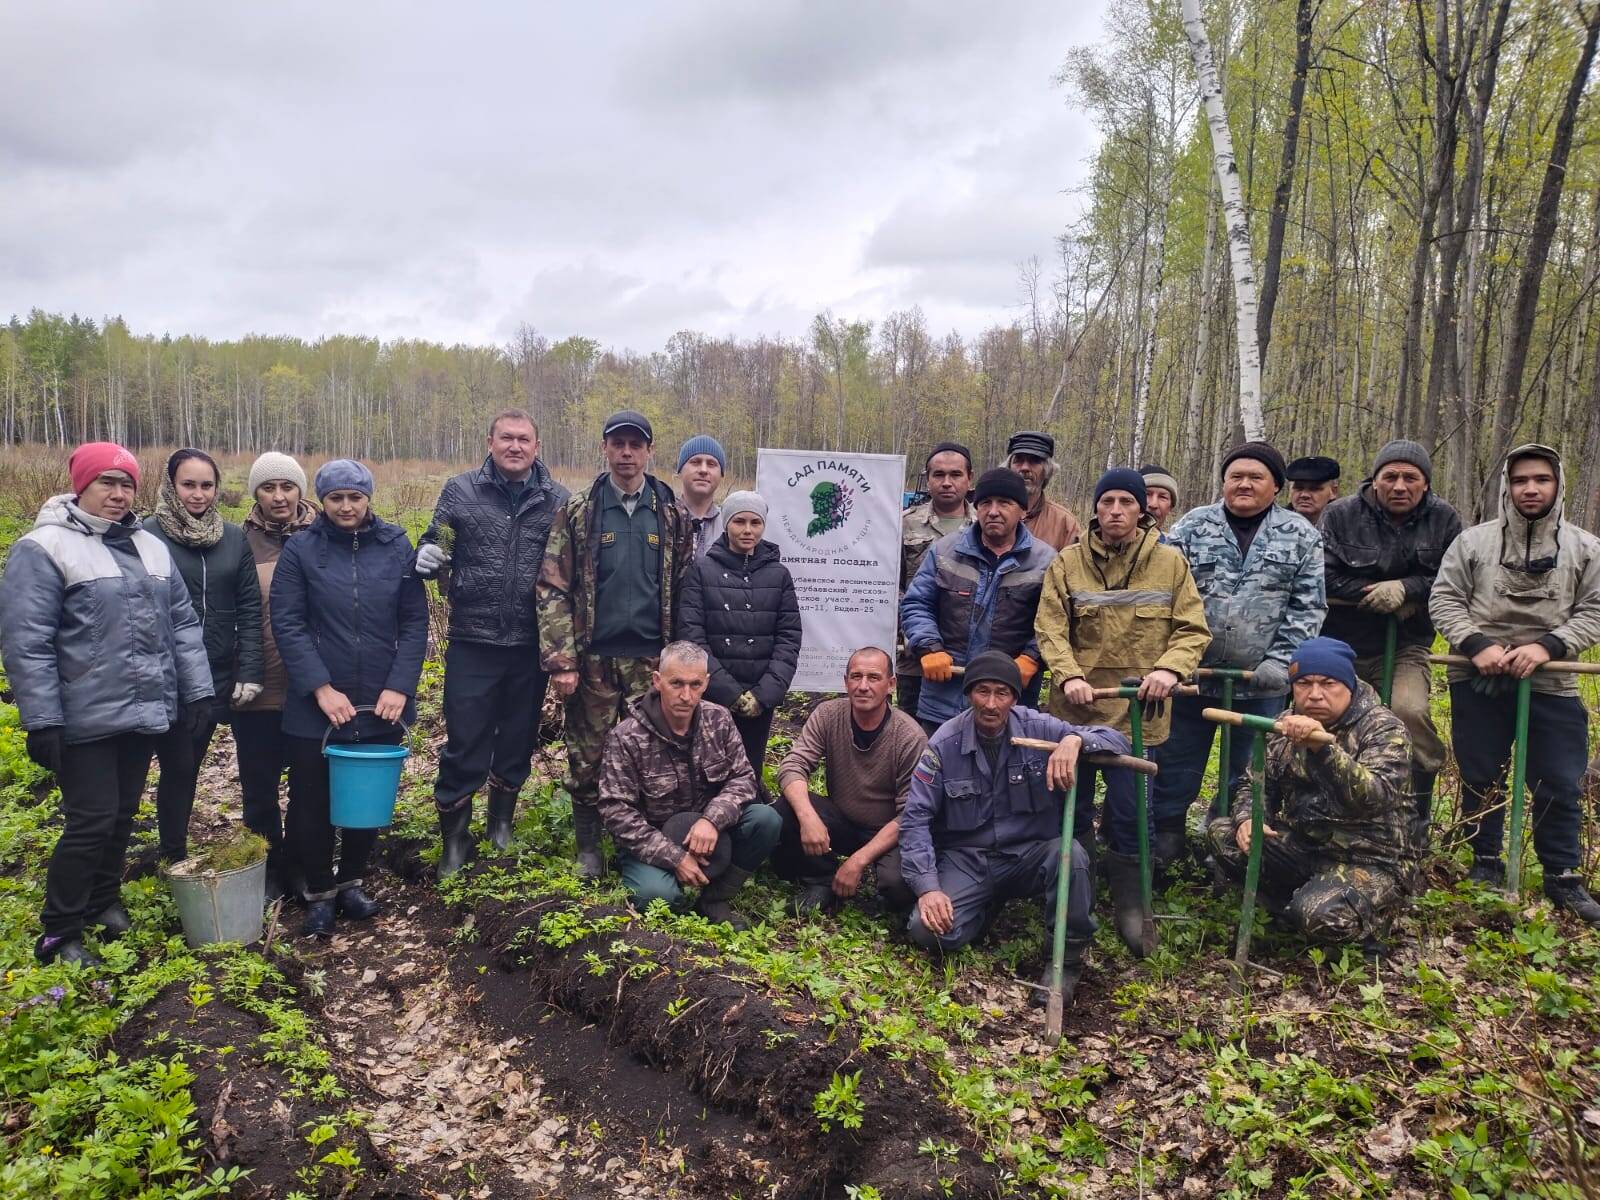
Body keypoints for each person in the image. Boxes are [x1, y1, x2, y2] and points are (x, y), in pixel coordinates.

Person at [0, 442, 213, 965]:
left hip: (144, 712)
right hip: (84, 717)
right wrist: (42, 718)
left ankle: (102, 899)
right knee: (90, 818)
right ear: (81, 485)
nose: (118, 495)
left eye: (126, 485)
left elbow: (181, 624)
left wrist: (199, 690)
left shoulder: (150, 546)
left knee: (121, 813)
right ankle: (59, 930)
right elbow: (27, 640)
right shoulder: (44, 547)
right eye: (105, 484)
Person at [1034, 468, 1211, 954]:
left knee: (1133, 810)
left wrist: (1171, 671)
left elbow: (1192, 629)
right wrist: (1069, 675)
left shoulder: (1170, 563)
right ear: (1096, 507)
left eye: (1125, 503)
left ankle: (1133, 903)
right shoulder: (1067, 563)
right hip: (1076, 712)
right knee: (1071, 803)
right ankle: (1074, 894)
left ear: (1142, 509)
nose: (1115, 511)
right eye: (1107, 501)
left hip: (1140, 715)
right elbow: (1049, 627)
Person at [1429, 444, 1600, 923]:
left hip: (1553, 679)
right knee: (1481, 775)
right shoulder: (1472, 543)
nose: (1531, 489)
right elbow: (1444, 599)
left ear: (1557, 485)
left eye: (1541, 480)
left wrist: (1548, 646)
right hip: (1477, 675)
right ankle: (1485, 862)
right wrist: (1475, 644)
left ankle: (1563, 875)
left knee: (1560, 780)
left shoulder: (1586, 549)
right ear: (1508, 485)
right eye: (1521, 480)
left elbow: (1595, 610)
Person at [899, 652, 1130, 1005]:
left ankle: (1065, 961)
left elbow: (1117, 740)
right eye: (983, 692)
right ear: (969, 694)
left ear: (1014, 698)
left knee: (1073, 856)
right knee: (926, 931)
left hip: (1030, 854)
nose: (991, 704)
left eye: (1001, 694)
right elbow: (915, 819)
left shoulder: (1039, 727)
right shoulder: (943, 745)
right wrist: (928, 888)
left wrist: (1075, 741)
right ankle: (981, 910)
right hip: (969, 860)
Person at [1151, 441, 1327, 866]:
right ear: (1224, 482)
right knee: (1176, 762)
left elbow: (1309, 605)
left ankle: (1227, 842)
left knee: (1246, 771)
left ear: (1276, 486)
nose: (1244, 484)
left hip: (1260, 682)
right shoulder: (1194, 527)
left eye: (1256, 477)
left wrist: (1281, 662)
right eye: (1236, 476)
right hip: (1193, 679)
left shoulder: (1300, 534)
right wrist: (1175, 661)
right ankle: (1167, 834)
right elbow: (1165, 597)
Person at [271, 460, 427, 937]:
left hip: (381, 699)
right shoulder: (301, 549)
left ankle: (352, 882)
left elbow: (415, 621)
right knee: (312, 799)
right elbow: (288, 622)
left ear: (367, 499)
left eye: (354, 498)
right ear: (321, 501)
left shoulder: (395, 545)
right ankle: (319, 891)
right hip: (317, 704)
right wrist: (320, 687)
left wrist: (399, 685)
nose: (345, 506)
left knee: (366, 796)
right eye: (336, 498)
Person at [539, 409, 694, 878]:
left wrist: (681, 657)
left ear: (648, 451)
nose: (626, 453)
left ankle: (645, 842)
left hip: (652, 660)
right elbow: (552, 585)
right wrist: (562, 660)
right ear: (605, 449)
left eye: (635, 445)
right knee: (589, 752)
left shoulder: (670, 512)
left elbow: (685, 585)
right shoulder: (581, 509)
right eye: (617, 444)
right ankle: (589, 846)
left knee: (654, 752)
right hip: (595, 660)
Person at [415, 409, 569, 876]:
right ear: (490, 442)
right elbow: (436, 537)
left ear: (537, 447)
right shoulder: (460, 491)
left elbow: (570, 568)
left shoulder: (558, 500)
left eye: (524, 439)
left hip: (529, 643)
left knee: (518, 737)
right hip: (473, 639)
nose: (515, 446)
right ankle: (455, 839)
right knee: (466, 738)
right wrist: (427, 552)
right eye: (507, 438)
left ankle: (500, 824)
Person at [1206, 637, 1413, 949]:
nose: (1315, 695)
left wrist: (1322, 750)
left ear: (1349, 685)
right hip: (1305, 845)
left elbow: (1373, 797)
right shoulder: (1282, 725)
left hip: (1371, 857)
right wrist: (1249, 819)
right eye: (1304, 683)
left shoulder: (1383, 729)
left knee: (1320, 916)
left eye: (1328, 683)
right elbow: (1255, 783)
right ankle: (1286, 905)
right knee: (1224, 835)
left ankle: (1376, 919)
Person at [1319, 439, 1462, 854]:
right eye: (1391, 476)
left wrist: (1407, 589)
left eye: (1410, 478)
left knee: (1408, 711)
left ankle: (1414, 810)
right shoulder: (1341, 514)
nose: (1400, 485)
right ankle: (1323, 807)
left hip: (1405, 644)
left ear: (1425, 484)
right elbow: (1320, 574)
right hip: (1340, 643)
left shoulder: (1445, 519)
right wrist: (1372, 592)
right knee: (1326, 717)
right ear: (1375, 479)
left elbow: (1452, 577)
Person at [596, 641, 780, 926]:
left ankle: (715, 897)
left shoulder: (719, 719)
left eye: (695, 684)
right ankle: (675, 889)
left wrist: (712, 820)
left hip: (710, 833)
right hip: (652, 840)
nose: (686, 695)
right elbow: (616, 811)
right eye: (676, 683)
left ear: (706, 683)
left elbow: (743, 778)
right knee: (657, 897)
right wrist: (675, 858)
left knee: (766, 819)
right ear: (657, 681)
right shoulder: (627, 737)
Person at [141, 448, 264, 865]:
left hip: (213, 676)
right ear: (171, 486)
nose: (198, 494)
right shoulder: (146, 535)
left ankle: (173, 852)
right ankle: (149, 857)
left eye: (206, 485)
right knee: (148, 770)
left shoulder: (233, 539)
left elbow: (249, 608)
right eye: (188, 484)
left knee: (186, 765)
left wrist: (248, 671)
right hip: (157, 676)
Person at [900, 468, 1055, 735]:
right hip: (945, 697)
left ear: (1023, 511)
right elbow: (917, 604)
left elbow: (1054, 620)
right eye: (985, 503)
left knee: (1006, 773)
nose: (993, 511)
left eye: (1004, 503)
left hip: (1010, 700)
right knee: (938, 771)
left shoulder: (1045, 561)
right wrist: (928, 647)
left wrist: (1033, 657)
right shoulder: (944, 551)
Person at [773, 647, 926, 914]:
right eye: (856, 677)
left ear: (891, 685)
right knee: (787, 807)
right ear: (845, 682)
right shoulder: (828, 714)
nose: (863, 686)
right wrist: (809, 818)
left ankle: (882, 896)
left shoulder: (909, 736)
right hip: (843, 821)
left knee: (899, 884)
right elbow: (793, 765)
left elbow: (909, 814)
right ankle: (821, 878)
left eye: (874, 678)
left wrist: (857, 861)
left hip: (888, 832)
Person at [233, 452, 318, 900]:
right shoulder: (237, 542)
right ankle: (267, 870)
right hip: (257, 687)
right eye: (268, 488)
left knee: (308, 787)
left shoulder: (326, 536)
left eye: (287, 487)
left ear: (301, 490)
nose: (279, 496)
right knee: (259, 789)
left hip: (313, 689)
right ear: (256, 493)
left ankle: (301, 867)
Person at [677, 490, 801, 791]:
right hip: (714, 697)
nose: (748, 530)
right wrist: (729, 694)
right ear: (727, 524)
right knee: (708, 773)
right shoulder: (701, 571)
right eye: (739, 522)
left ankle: (751, 829)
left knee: (749, 771)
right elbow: (693, 637)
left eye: (755, 522)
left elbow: (789, 638)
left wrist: (763, 695)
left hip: (760, 699)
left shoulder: (779, 575)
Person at [898, 443, 976, 716]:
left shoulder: (984, 526)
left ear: (969, 479)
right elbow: (893, 588)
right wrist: (917, 637)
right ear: (927, 479)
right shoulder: (903, 524)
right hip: (915, 659)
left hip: (970, 659)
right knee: (915, 737)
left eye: (955, 475)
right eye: (938, 475)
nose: (946, 482)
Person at [1006, 430, 1082, 551]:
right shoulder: (987, 514)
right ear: (1008, 467)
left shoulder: (1065, 524)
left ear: (1047, 470)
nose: (1025, 467)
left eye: (1034, 461)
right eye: (1019, 460)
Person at [677, 434, 727, 559]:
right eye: (695, 462)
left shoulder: (731, 526)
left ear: (721, 474)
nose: (703, 470)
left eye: (711, 464)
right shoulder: (662, 521)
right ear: (680, 471)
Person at [1285, 456, 1341, 529]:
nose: (1304, 495)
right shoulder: (1274, 523)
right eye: (1299, 488)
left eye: (1314, 489)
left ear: (1333, 491)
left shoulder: (1344, 527)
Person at [1140, 464, 1180, 532]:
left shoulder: (1173, 541)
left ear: (1170, 507)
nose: (1153, 504)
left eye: (1163, 497)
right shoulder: (1116, 540)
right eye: (1147, 494)